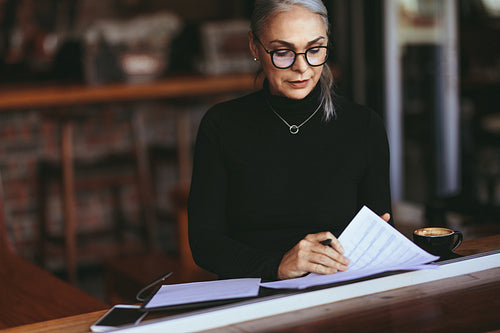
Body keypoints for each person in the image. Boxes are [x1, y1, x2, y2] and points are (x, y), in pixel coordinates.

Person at [188, 0, 392, 281]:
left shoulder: (364, 125)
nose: (301, 67)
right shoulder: (222, 125)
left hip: (339, 290)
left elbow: (380, 226)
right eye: (283, 52)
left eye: (314, 50)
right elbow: (205, 244)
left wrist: (377, 242)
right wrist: (277, 266)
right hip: (254, 295)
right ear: (254, 46)